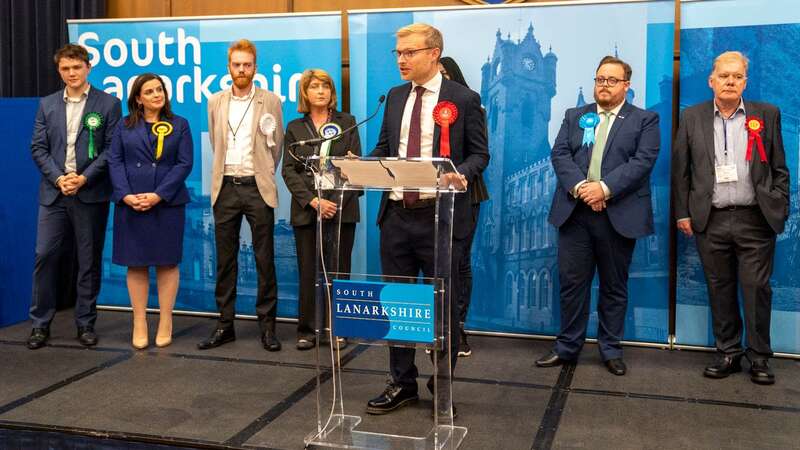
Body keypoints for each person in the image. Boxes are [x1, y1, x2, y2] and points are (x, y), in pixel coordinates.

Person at [365, 23, 489, 415]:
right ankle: (402, 383)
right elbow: (385, 149)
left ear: (433, 53)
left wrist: (462, 174)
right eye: (398, 53)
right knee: (398, 304)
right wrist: (357, 167)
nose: (401, 60)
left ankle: (443, 384)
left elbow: (480, 154)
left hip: (443, 218)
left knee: (444, 304)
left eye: (409, 52)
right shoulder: (395, 97)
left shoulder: (464, 99)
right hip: (397, 217)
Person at [536, 56, 660, 376]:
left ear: (626, 86)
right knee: (571, 284)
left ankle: (610, 348)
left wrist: (603, 189)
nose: (604, 85)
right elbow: (560, 154)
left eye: (611, 80)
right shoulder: (574, 115)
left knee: (613, 286)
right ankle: (567, 346)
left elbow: (642, 162)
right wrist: (581, 187)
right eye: (600, 79)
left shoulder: (645, 120)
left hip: (618, 214)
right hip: (574, 214)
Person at [672, 51, 788, 385]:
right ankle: (727, 352)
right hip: (711, 219)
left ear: (745, 82)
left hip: (755, 219)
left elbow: (780, 169)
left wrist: (777, 204)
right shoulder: (692, 117)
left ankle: (760, 358)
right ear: (712, 80)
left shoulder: (766, 114)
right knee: (719, 288)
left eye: (737, 76)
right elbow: (681, 172)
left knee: (756, 289)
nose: (730, 82)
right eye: (724, 76)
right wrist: (682, 213)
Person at [28, 43, 121, 350]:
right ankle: (40, 324)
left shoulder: (108, 104)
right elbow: (38, 148)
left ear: (88, 68)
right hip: (54, 193)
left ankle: (85, 324)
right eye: (65, 68)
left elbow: (111, 150)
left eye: (76, 67)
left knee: (88, 261)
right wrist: (59, 178)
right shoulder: (47, 104)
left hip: (89, 192)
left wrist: (82, 178)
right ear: (59, 71)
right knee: (44, 256)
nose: (71, 73)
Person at [199, 39, 285, 352]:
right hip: (225, 187)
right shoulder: (215, 102)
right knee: (225, 260)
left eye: (247, 64)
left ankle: (268, 328)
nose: (242, 70)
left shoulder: (271, 101)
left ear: (255, 67)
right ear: (228, 67)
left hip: (256, 186)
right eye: (236, 64)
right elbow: (216, 146)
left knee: (264, 259)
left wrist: (261, 173)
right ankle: (225, 325)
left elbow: (276, 145)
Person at [107, 73, 193, 349]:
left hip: (166, 203)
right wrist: (126, 195)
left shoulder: (180, 124)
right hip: (132, 203)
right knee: (137, 262)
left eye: (160, 90)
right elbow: (115, 162)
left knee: (167, 262)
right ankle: (140, 320)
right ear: (138, 98)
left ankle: (166, 320)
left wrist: (158, 195)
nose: (157, 94)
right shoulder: (123, 126)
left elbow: (184, 164)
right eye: (150, 91)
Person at [282, 69, 360, 350]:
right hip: (307, 210)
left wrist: (334, 202)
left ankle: (339, 328)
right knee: (308, 271)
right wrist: (314, 201)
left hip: (342, 209)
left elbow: (355, 167)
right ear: (305, 92)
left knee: (340, 272)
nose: (321, 91)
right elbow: (288, 171)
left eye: (325, 86)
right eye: (314, 86)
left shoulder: (347, 122)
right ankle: (308, 329)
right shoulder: (294, 127)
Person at [438, 56, 490, 357]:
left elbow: (481, 153)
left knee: (459, 264)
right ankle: (436, 328)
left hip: (466, 194)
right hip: (427, 195)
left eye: (445, 74)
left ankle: (457, 328)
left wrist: (462, 174)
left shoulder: (472, 106)